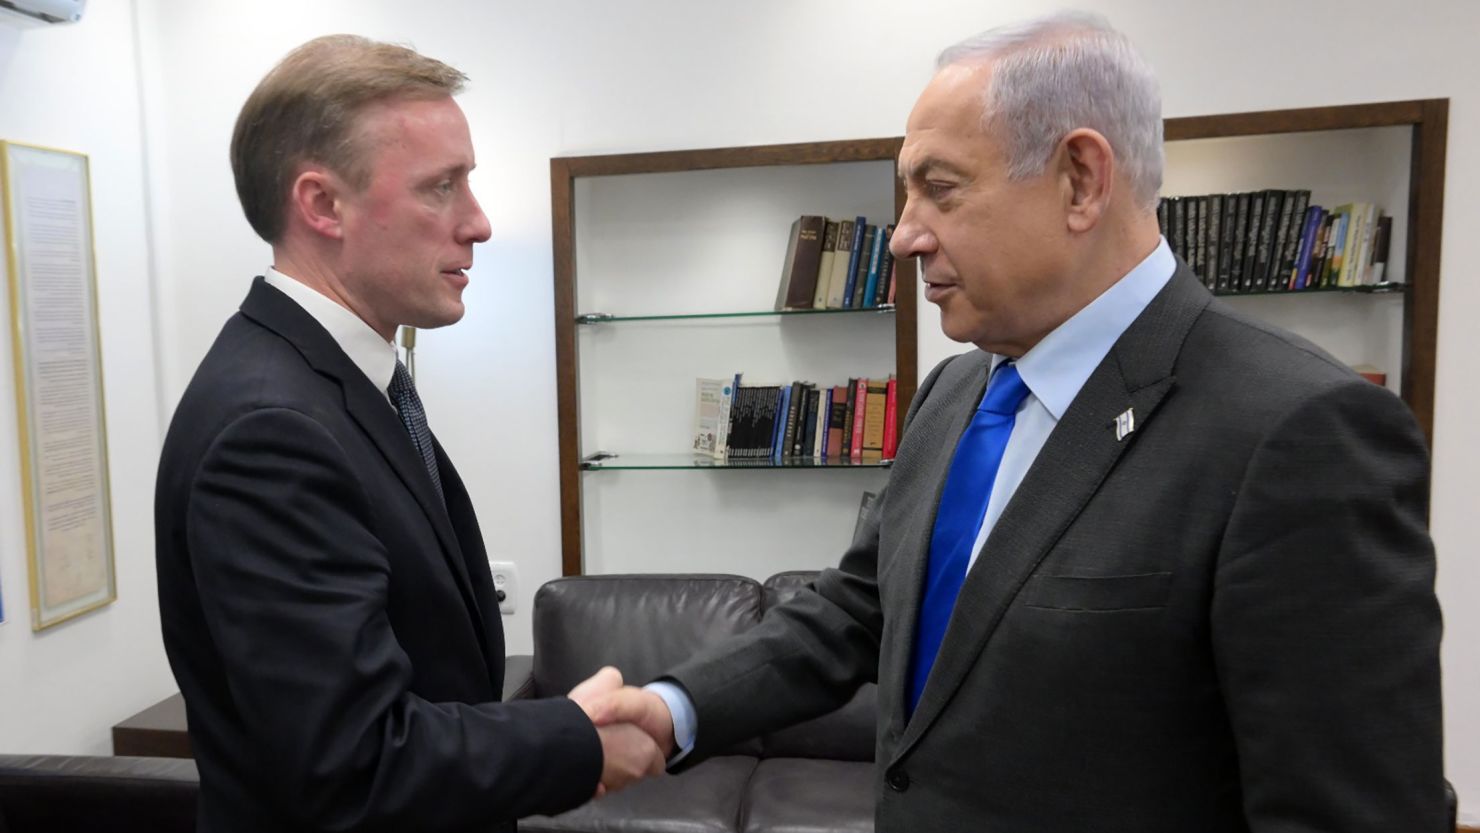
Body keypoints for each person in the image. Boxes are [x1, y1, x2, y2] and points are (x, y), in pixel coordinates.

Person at [585, 11, 1445, 832]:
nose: (904, 237)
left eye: (939, 189)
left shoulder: (1298, 432)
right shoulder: (953, 394)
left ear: (1081, 180)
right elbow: (858, 610)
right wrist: (673, 709)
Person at [154, 35, 661, 833]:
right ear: (322, 205)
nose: (481, 222)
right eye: (441, 187)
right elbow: (355, 761)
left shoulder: (343, 379)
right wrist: (575, 738)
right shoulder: (271, 429)